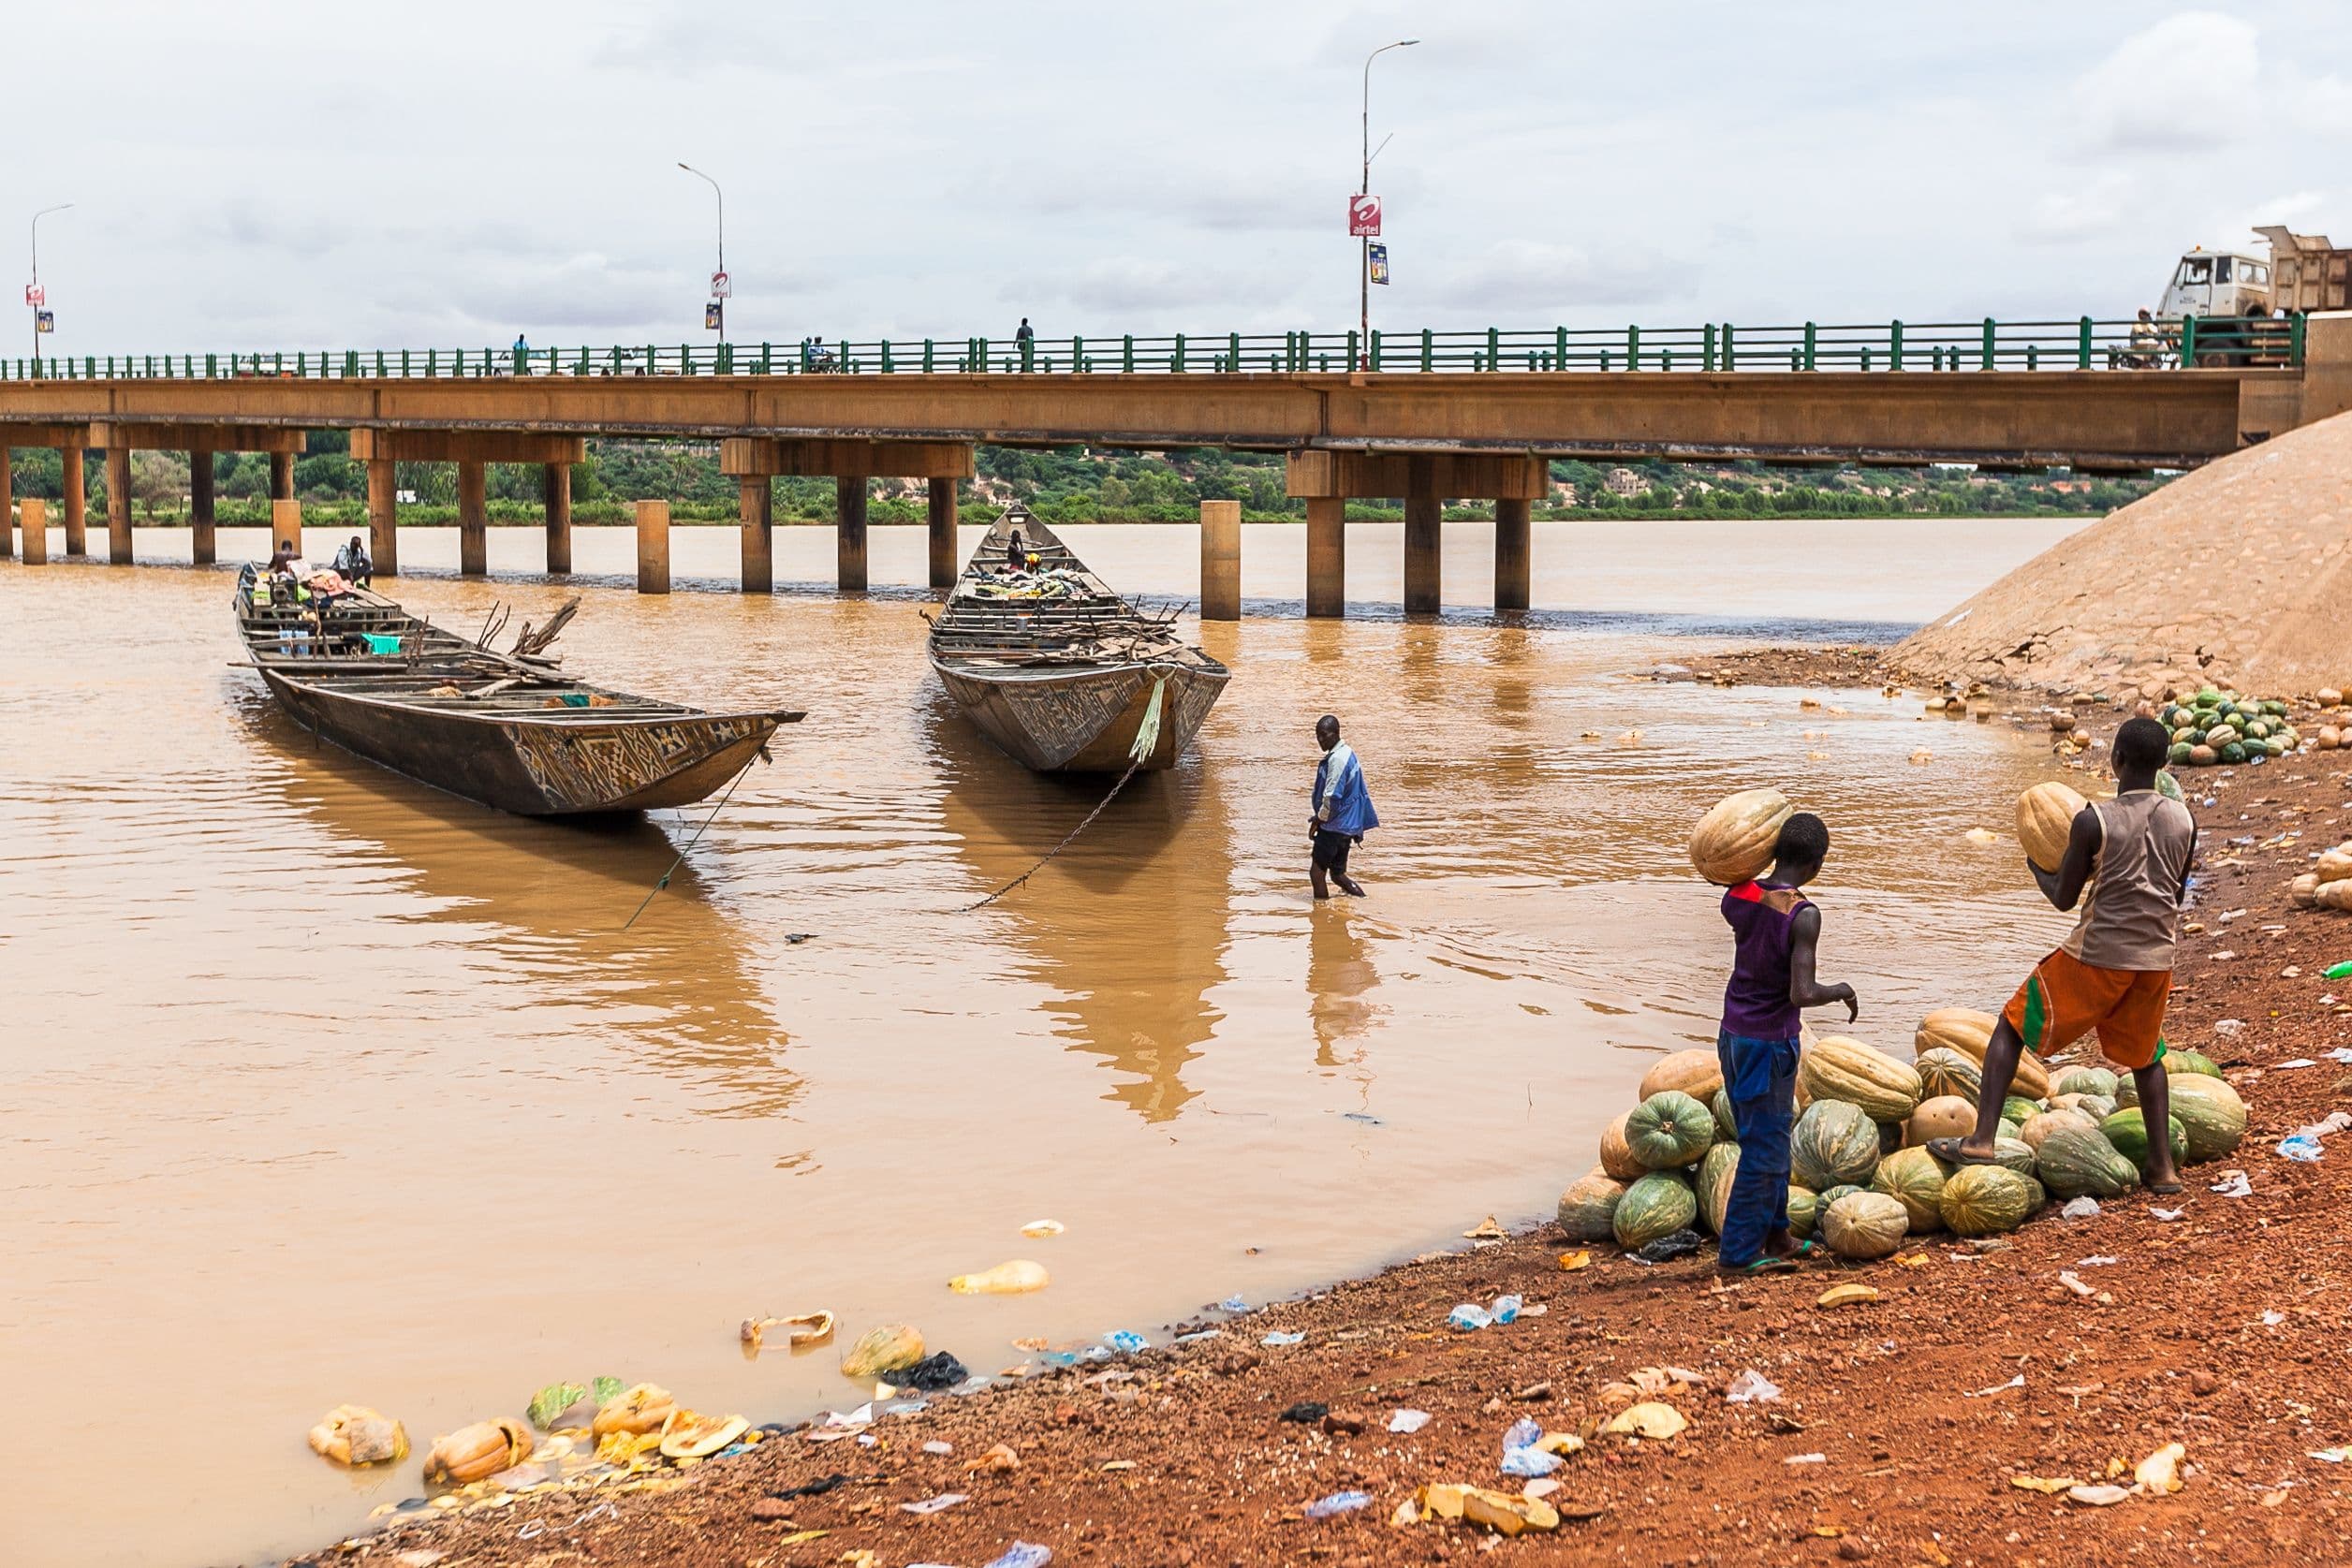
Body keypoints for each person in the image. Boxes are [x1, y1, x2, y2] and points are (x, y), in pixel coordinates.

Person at [1930, 717, 2194, 1193]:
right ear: (2164, 764)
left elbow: (2063, 897)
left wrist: (2036, 865)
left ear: (2116, 760)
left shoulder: (2094, 819)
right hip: (2156, 957)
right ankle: (2162, 1169)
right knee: (2146, 1056)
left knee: (2010, 1026)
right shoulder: (2184, 819)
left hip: (2096, 955)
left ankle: (1982, 1140)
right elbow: (2173, 893)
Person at [1715, 812, 1857, 1277]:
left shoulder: (1739, 895)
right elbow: (1802, 992)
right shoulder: (1803, 914)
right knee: (1765, 1150)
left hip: (1733, 1035)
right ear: (1817, 863)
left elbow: (1740, 890)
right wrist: (1840, 990)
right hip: (1769, 1044)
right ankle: (1737, 1255)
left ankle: (1776, 1233)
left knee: (1769, 1138)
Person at [1308, 715, 1377, 900]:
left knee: (1317, 873)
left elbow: (1331, 797)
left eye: (1324, 735)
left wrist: (1319, 820)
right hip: (1346, 826)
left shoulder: (1337, 760)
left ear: (1335, 733)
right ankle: (1364, 901)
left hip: (1333, 827)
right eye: (1318, 736)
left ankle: (1321, 916)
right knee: (1337, 875)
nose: (1320, 740)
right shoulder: (1347, 752)